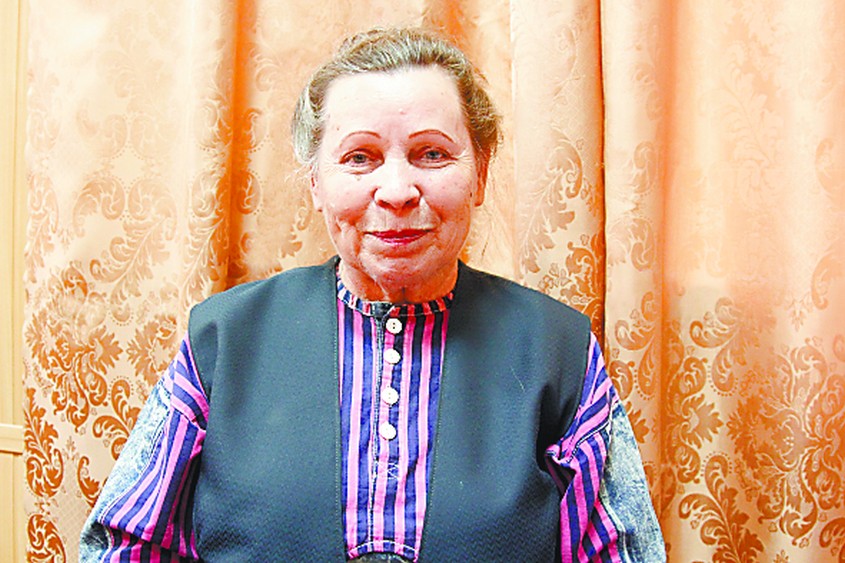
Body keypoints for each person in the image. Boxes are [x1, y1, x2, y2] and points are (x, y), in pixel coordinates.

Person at [80, 27, 664, 562]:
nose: (398, 190)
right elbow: (123, 546)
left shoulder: (559, 353)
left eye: (432, 154)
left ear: (481, 174)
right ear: (316, 182)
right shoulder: (223, 341)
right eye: (359, 158)